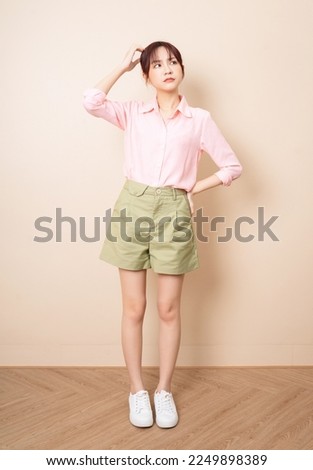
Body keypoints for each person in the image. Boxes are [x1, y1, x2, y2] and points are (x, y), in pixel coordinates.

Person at [83, 41, 242, 429]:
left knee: (169, 309)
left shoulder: (200, 119)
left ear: (181, 68)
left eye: (172, 62)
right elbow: (91, 101)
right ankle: (137, 390)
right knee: (134, 308)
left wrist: (192, 190)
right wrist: (122, 65)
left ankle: (164, 390)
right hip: (132, 205)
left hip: (174, 210)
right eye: (156, 65)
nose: (167, 69)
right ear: (146, 76)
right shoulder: (133, 112)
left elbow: (232, 166)